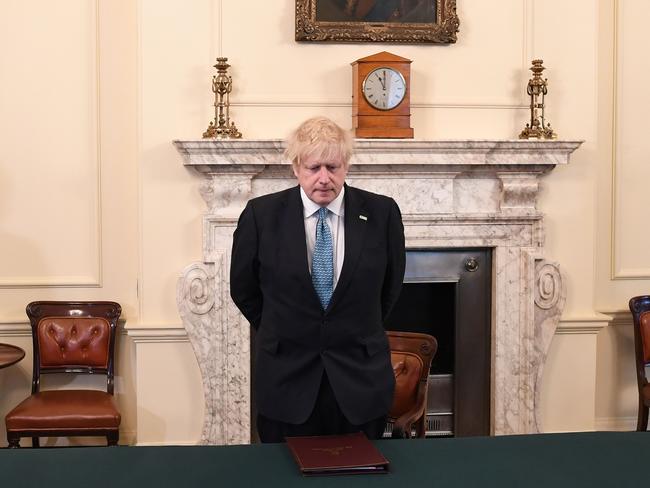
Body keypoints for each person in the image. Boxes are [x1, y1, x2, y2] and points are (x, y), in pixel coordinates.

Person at [230, 116, 405, 443]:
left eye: (333, 167)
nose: (324, 178)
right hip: (286, 381)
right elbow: (243, 289)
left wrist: (350, 327)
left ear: (346, 166)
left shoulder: (382, 214)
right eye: (314, 168)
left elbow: (390, 287)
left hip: (359, 384)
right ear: (296, 167)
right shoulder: (261, 216)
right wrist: (283, 327)